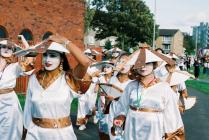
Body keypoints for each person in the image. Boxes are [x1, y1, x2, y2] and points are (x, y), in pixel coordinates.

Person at [23, 34, 90, 140]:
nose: (47, 59)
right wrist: (25, 132)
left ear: (61, 59)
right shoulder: (34, 78)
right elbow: (28, 109)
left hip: (62, 135)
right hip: (35, 134)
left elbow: (85, 62)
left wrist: (64, 41)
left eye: (53, 55)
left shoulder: (69, 78)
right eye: (45, 55)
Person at [112, 47, 184, 140]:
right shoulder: (131, 86)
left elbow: (171, 116)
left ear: (154, 65)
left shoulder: (164, 87)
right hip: (132, 128)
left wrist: (172, 135)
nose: (143, 66)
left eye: (147, 63)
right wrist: (120, 117)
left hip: (153, 130)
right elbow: (122, 107)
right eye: (140, 63)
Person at [0, 39, 34, 140]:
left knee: (9, 129)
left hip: (9, 103)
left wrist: (25, 45)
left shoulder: (15, 67)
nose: (6, 49)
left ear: (13, 51)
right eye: (4, 47)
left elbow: (29, 62)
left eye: (9, 48)